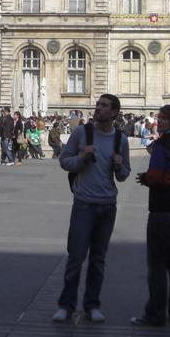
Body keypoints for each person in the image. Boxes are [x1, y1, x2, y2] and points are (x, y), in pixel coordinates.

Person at [53, 94, 131, 324]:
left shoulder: (121, 140)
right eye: (98, 104)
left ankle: (92, 304)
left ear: (115, 112)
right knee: (76, 257)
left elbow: (124, 175)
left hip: (108, 205)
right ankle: (66, 305)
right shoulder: (82, 133)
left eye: (104, 106)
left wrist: (119, 166)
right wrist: (81, 157)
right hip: (84, 204)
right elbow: (64, 161)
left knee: (98, 259)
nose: (98, 108)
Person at [132, 104, 170, 327]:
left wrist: (147, 178)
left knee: (156, 263)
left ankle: (155, 313)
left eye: (163, 118)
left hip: (162, 207)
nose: (159, 122)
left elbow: (156, 175)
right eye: (159, 118)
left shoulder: (162, 144)